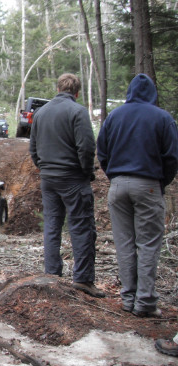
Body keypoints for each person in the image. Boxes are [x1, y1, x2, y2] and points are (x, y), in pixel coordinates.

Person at [97, 73, 178, 318]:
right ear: (152, 93)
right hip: (149, 184)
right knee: (148, 244)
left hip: (118, 186)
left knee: (124, 244)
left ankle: (128, 298)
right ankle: (145, 303)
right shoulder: (163, 118)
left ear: (129, 92)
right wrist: (161, 182)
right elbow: (172, 157)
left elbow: (102, 152)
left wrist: (116, 179)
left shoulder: (114, 117)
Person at [29, 73, 104, 298]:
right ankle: (82, 279)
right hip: (72, 177)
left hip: (49, 178)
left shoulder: (41, 113)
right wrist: (86, 171)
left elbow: (32, 148)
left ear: (58, 88)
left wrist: (43, 167)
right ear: (77, 92)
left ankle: (52, 275)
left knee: (52, 226)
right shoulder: (78, 111)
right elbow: (87, 147)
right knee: (81, 226)